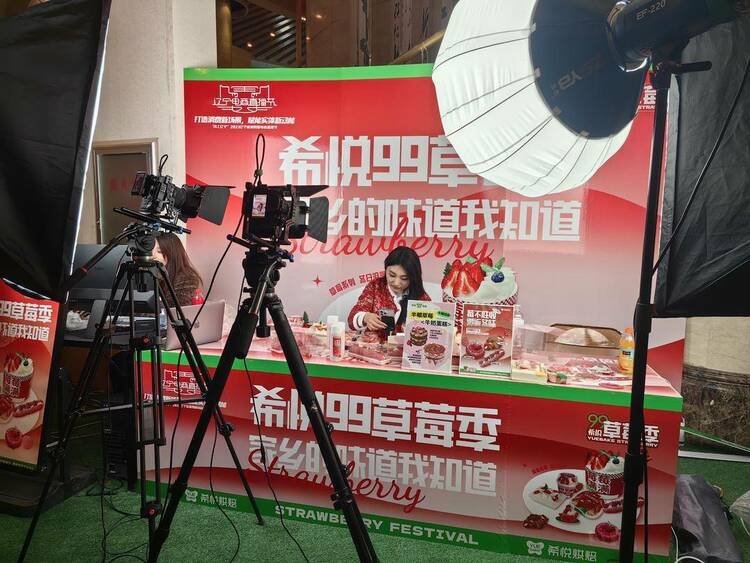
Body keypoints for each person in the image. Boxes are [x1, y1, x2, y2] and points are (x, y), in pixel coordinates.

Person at [348, 247, 430, 334]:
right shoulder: (375, 286)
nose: (396, 283)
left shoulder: (421, 298)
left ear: (413, 277)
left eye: (404, 278)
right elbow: (352, 319)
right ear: (385, 269)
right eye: (392, 275)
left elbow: (430, 329)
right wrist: (365, 317)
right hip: (373, 342)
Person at [153, 233, 203, 308]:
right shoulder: (148, 273)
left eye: (159, 251)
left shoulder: (187, 277)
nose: (153, 255)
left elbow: (175, 309)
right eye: (150, 250)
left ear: (172, 253)